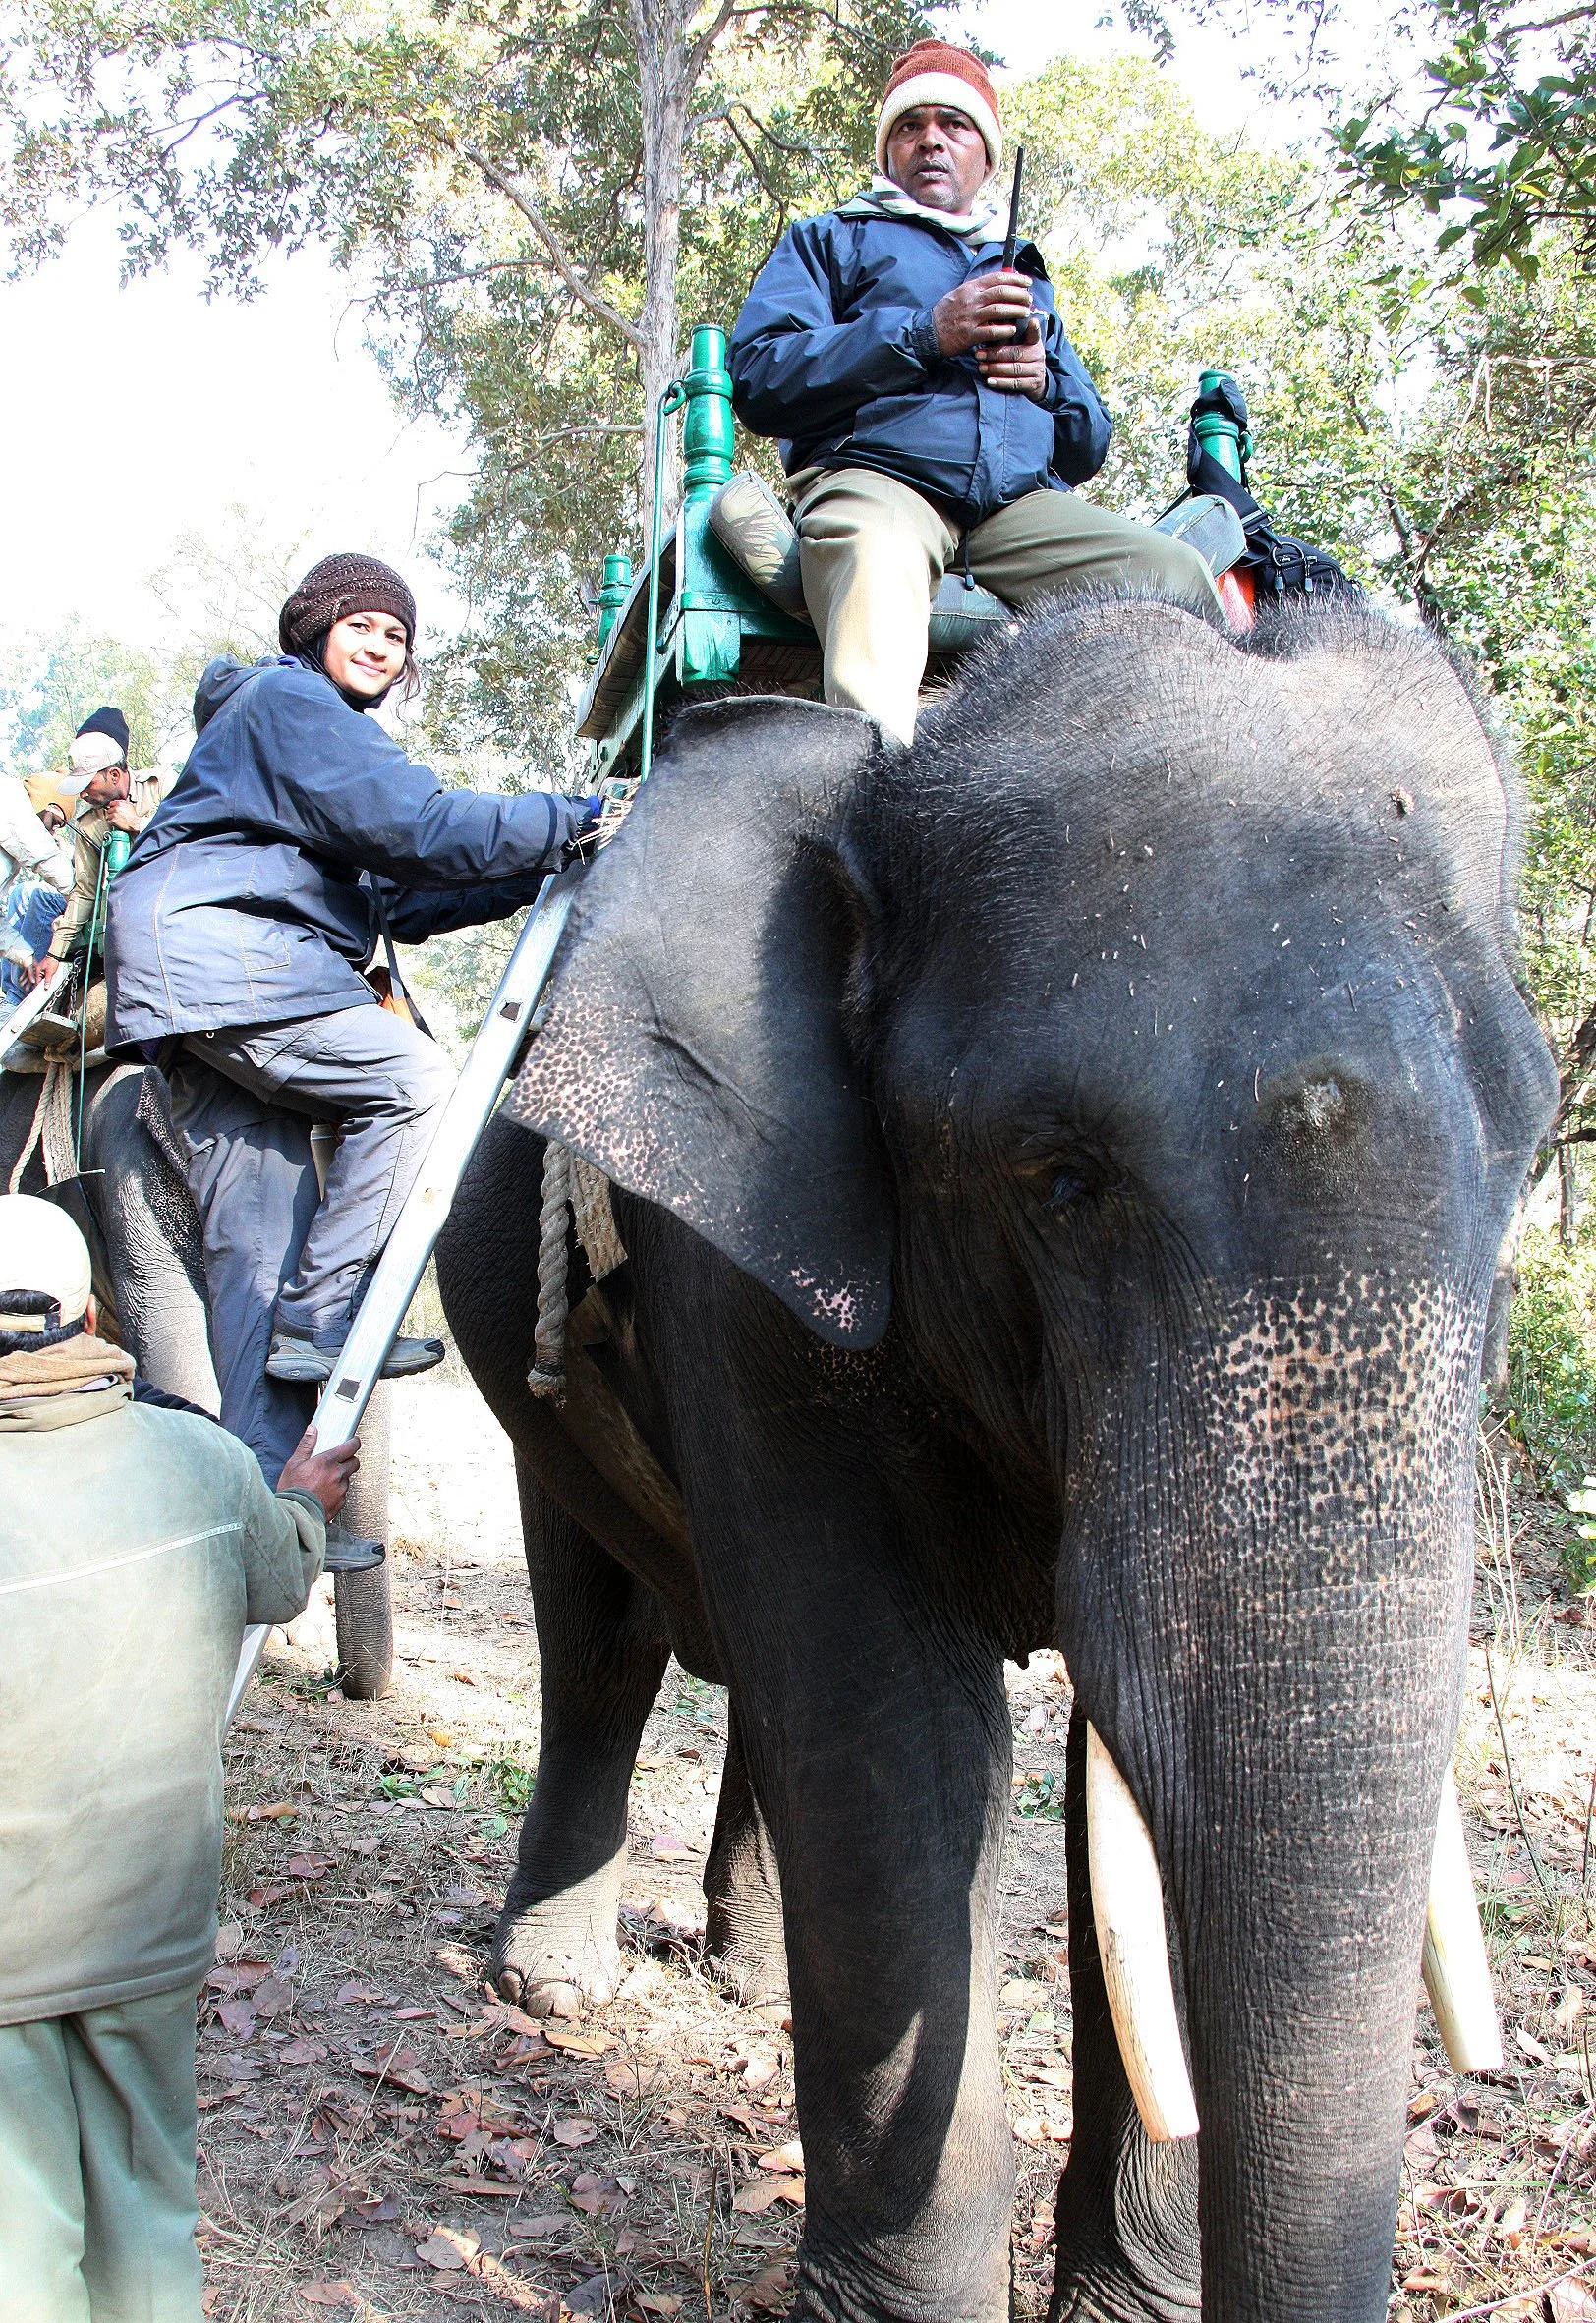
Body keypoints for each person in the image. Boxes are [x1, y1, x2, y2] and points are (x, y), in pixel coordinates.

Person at [104, 550, 600, 1490]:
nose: (380, 644)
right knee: (412, 1082)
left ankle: (267, 1504)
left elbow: (400, 899)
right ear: (314, 625)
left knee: (257, 1255)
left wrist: (544, 865)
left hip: (196, 978)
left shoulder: (294, 760)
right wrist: (579, 816)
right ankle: (326, 1311)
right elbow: (423, 824)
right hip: (227, 950)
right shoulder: (292, 705)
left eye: (398, 635)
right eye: (363, 624)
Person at [0, 1193, 358, 2323]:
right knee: (151, 2208)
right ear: (95, 1311)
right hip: (150, 1929)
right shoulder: (201, 1465)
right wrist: (297, 1501)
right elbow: (278, 1577)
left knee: (20, 2238)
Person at [727, 39, 1222, 743]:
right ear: (887, 152)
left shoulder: (1020, 272)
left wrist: (1047, 381)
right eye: (910, 125)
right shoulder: (830, 240)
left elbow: (1088, 445)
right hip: (879, 478)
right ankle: (875, 821)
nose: (931, 139)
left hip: (1014, 507)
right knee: (871, 559)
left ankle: (1192, 794)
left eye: (953, 125)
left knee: (1171, 576)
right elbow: (762, 377)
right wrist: (926, 334)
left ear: (986, 157)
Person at [24, 708, 170, 991]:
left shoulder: (161, 785)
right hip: (118, 921)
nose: (82, 795)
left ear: (114, 775)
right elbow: (85, 890)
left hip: (164, 909)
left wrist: (140, 824)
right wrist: (54, 952)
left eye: (88, 784)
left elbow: (193, 835)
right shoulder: (89, 822)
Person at [0, 774, 73, 1002]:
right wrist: (78, 891)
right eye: (55, 824)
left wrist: (26, 955)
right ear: (48, 805)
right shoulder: (10, 798)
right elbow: (43, 855)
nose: (52, 834)